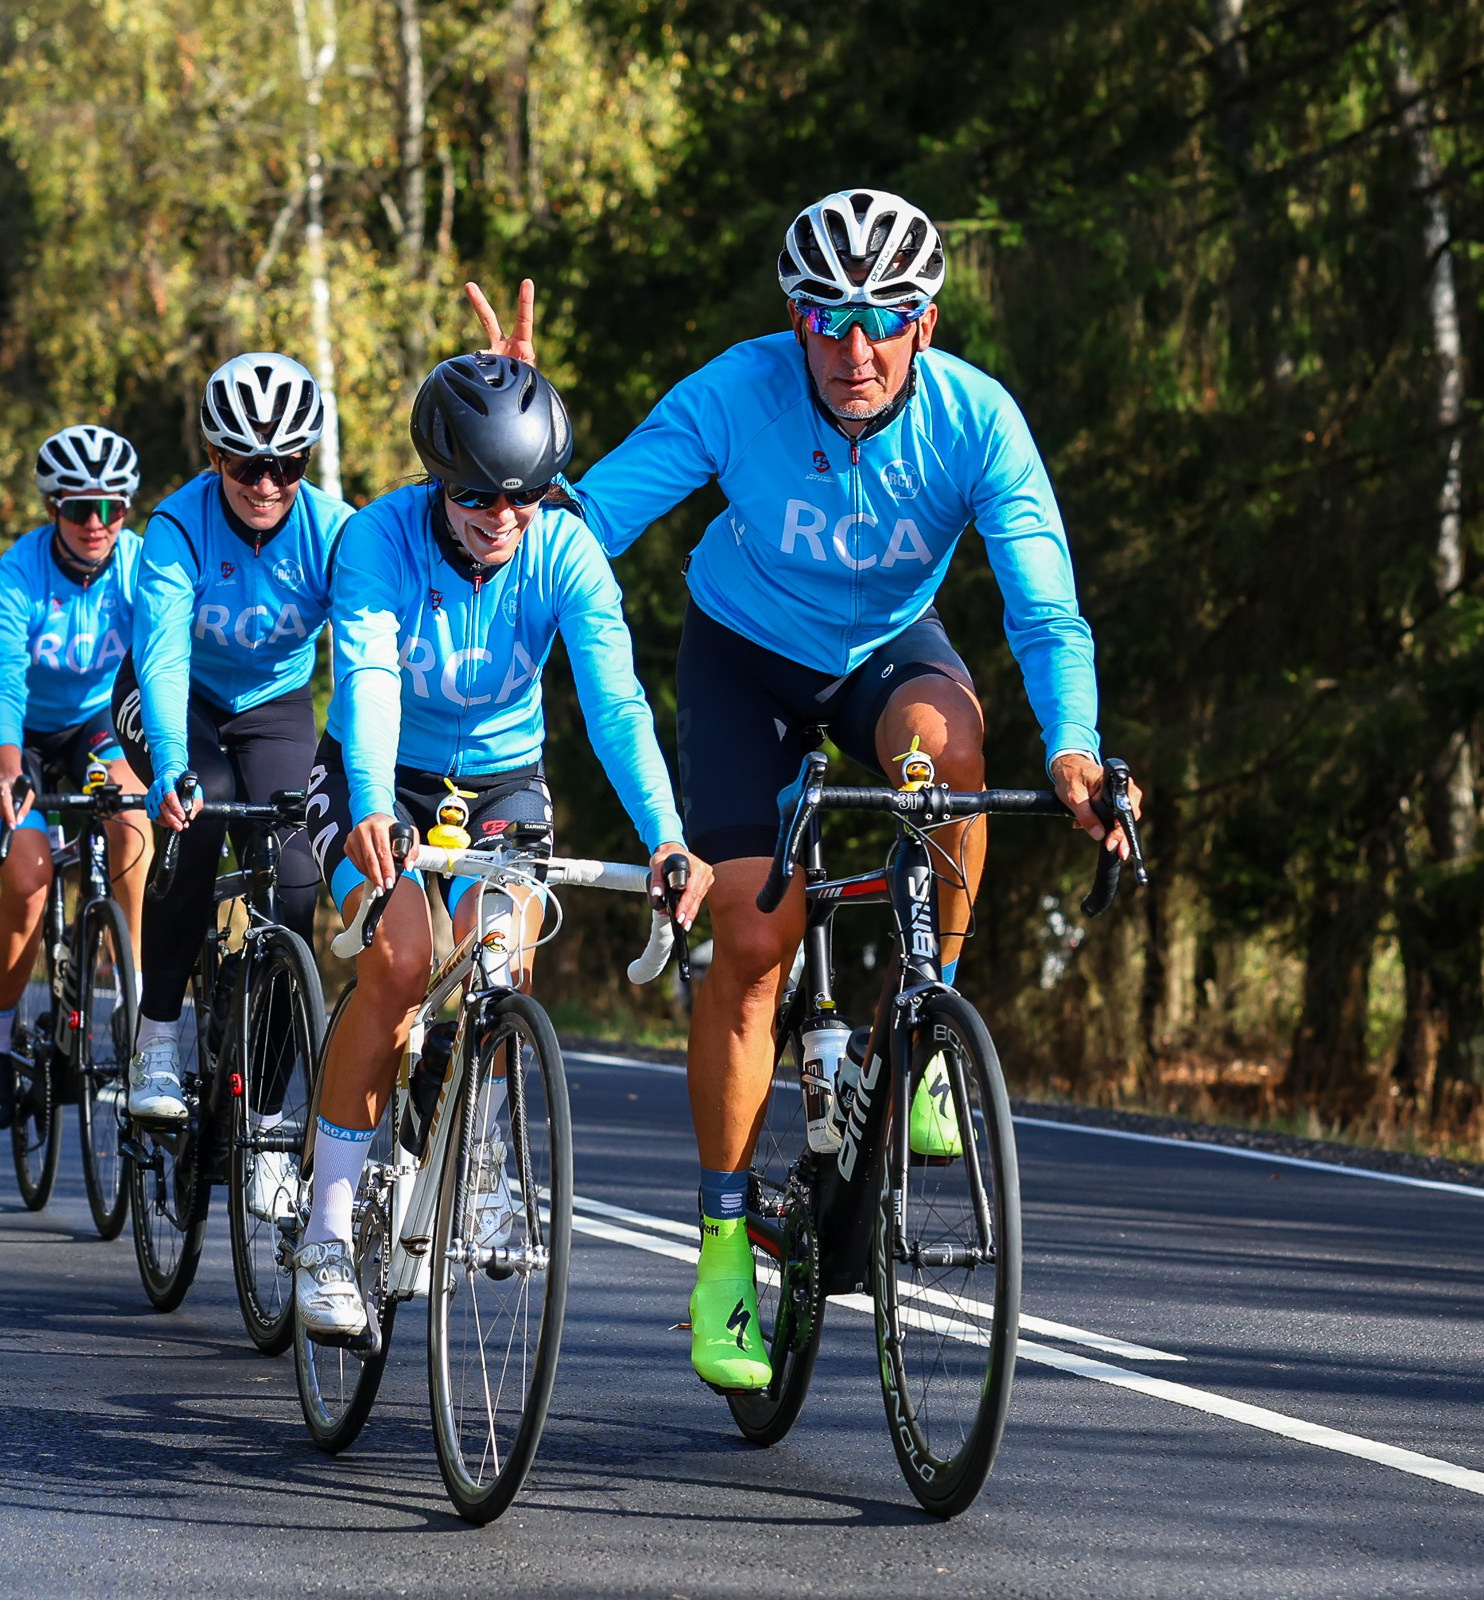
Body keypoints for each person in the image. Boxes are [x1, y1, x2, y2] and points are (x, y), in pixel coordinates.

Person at [474, 188, 1143, 1391]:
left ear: (924, 324)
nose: (853, 347)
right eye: (826, 318)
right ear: (794, 318)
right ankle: (725, 1249)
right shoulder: (736, 393)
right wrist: (503, 444)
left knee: (956, 760)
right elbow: (589, 522)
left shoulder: (978, 422)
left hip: (888, 653)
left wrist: (1079, 749)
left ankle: (922, 1019)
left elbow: (1045, 605)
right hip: (743, 659)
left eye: (882, 318)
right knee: (753, 934)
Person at [290, 351, 711, 1339]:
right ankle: (323, 1227)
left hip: (503, 782)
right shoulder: (377, 539)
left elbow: (615, 703)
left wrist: (665, 834)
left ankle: (478, 1159)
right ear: (439, 476)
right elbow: (370, 674)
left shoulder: (563, 550)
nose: (502, 516)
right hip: (376, 772)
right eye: (478, 495)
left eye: (523, 496)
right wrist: (366, 801)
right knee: (399, 961)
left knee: (498, 955)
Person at [113, 352, 351, 1124]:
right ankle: (156, 1034)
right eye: (246, 464)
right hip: (174, 698)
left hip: (273, 706)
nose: (266, 484)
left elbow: (367, 658)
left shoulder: (333, 531)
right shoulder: (179, 524)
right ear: (215, 457)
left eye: (286, 464)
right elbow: (162, 653)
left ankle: (269, 1113)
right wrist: (173, 766)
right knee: (202, 807)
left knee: (295, 883)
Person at [0, 425, 154, 1131]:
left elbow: (163, 664)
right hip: (14, 735)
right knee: (29, 874)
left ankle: (128, 1005)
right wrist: (10, 773)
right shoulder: (18, 572)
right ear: (53, 510)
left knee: (132, 824)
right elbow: (6, 682)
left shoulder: (139, 566)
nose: (98, 525)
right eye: (81, 510)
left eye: (113, 508)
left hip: (98, 726)